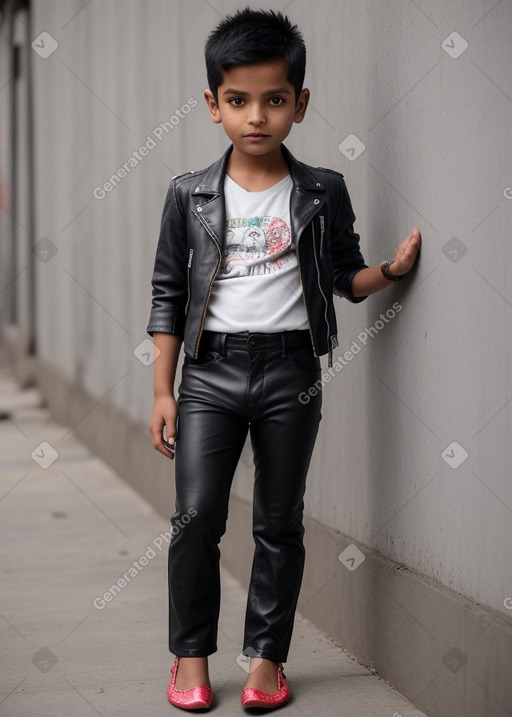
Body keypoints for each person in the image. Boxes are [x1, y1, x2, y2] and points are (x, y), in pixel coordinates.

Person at [147, 7, 421, 711]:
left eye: (274, 99)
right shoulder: (190, 194)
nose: (256, 116)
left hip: (292, 374)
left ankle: (267, 658)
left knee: (279, 520)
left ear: (300, 103)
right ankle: (190, 654)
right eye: (238, 101)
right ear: (213, 105)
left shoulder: (323, 190)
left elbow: (343, 276)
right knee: (197, 516)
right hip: (209, 374)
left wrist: (387, 272)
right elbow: (169, 295)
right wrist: (163, 390)